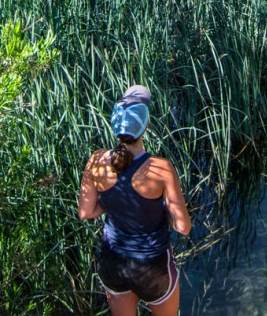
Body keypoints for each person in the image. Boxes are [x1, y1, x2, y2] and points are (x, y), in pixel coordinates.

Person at [78, 85, 192, 316]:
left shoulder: (96, 160)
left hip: (113, 261)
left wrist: (110, 203)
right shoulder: (161, 169)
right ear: (146, 128)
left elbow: (86, 213)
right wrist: (162, 210)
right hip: (151, 265)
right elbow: (183, 227)